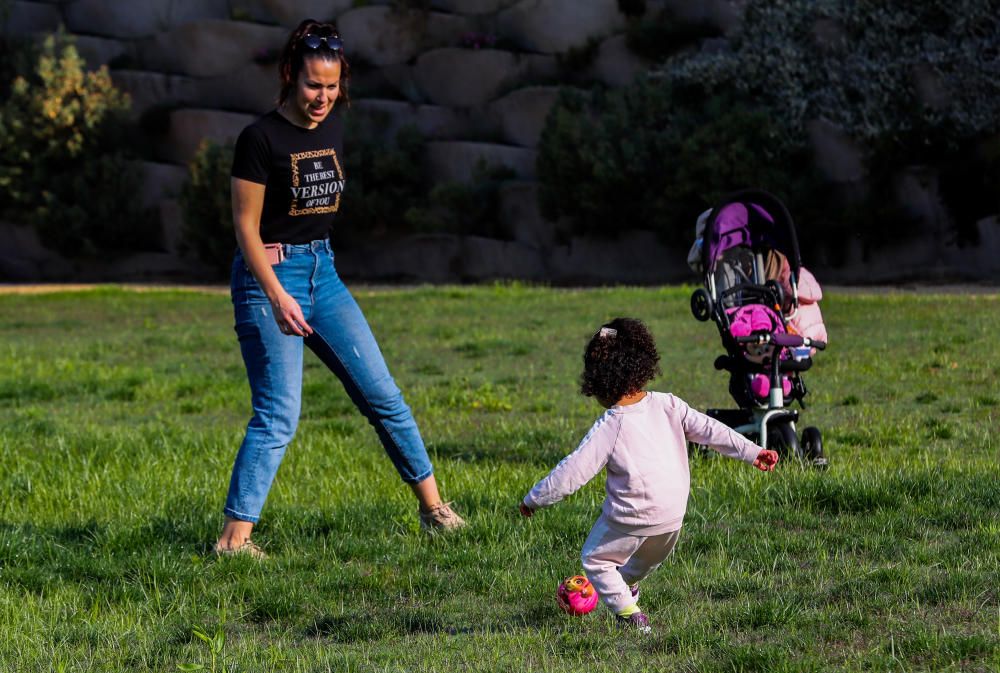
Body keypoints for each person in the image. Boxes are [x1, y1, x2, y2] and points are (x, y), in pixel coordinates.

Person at [215, 18, 464, 557]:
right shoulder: (258, 139)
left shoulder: (332, 127)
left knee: (382, 394)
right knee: (279, 413)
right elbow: (245, 230)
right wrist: (278, 297)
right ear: (289, 75)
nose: (323, 97)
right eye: (312, 86)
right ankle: (234, 541)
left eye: (331, 87)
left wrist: (305, 281)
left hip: (321, 272)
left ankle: (435, 510)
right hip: (269, 279)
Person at [519, 318, 777, 631]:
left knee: (596, 560)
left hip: (632, 517)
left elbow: (571, 472)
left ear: (598, 382)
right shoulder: (669, 404)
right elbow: (710, 430)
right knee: (633, 566)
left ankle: (631, 617)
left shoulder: (611, 424)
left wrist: (534, 499)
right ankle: (626, 590)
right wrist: (752, 451)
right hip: (672, 517)